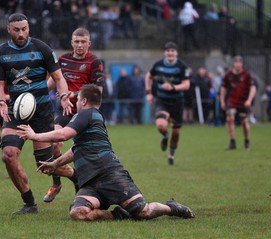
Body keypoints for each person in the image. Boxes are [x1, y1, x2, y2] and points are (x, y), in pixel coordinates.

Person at [16, 84, 195, 221]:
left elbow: (62, 135)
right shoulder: (90, 117)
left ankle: (171, 208)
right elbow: (76, 149)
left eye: (77, 100)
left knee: (143, 211)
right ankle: (118, 215)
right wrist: (55, 164)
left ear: (84, 101)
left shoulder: (87, 114)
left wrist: (34, 135)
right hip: (91, 182)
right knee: (78, 213)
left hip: (110, 174)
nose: (76, 103)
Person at [0, 13, 72, 215]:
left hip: (42, 113)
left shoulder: (42, 48)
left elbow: (59, 78)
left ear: (29, 28)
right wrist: (1, 101)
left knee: (44, 165)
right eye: (17, 29)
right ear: (9, 29)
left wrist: (63, 96)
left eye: (24, 29)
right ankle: (29, 203)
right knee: (9, 155)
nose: (21, 33)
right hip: (16, 112)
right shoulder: (1, 53)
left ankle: (77, 177)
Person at [44, 27, 104, 203]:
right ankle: (57, 184)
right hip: (64, 109)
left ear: (89, 43)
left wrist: (75, 94)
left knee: (84, 152)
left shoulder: (95, 62)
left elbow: (97, 92)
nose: (79, 45)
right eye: (76, 41)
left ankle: (86, 187)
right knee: (55, 144)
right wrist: (31, 95)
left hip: (85, 112)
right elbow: (50, 84)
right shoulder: (63, 60)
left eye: (83, 41)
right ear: (71, 42)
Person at [145, 42, 190, 165]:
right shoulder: (158, 65)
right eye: (168, 51)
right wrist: (148, 93)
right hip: (162, 101)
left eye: (173, 51)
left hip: (177, 102)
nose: (170, 53)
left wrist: (173, 87)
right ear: (165, 53)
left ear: (176, 53)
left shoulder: (182, 67)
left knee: (176, 132)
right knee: (160, 124)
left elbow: (187, 85)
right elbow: (148, 76)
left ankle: (171, 155)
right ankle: (165, 135)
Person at [220, 56, 256, 150]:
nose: (238, 64)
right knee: (229, 118)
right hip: (232, 101)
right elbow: (223, 88)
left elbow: (253, 88)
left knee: (244, 122)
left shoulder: (247, 75)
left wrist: (249, 100)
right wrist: (222, 101)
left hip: (243, 102)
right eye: (236, 62)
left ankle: (247, 141)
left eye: (239, 62)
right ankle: (232, 142)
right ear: (233, 64)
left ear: (242, 64)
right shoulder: (228, 75)